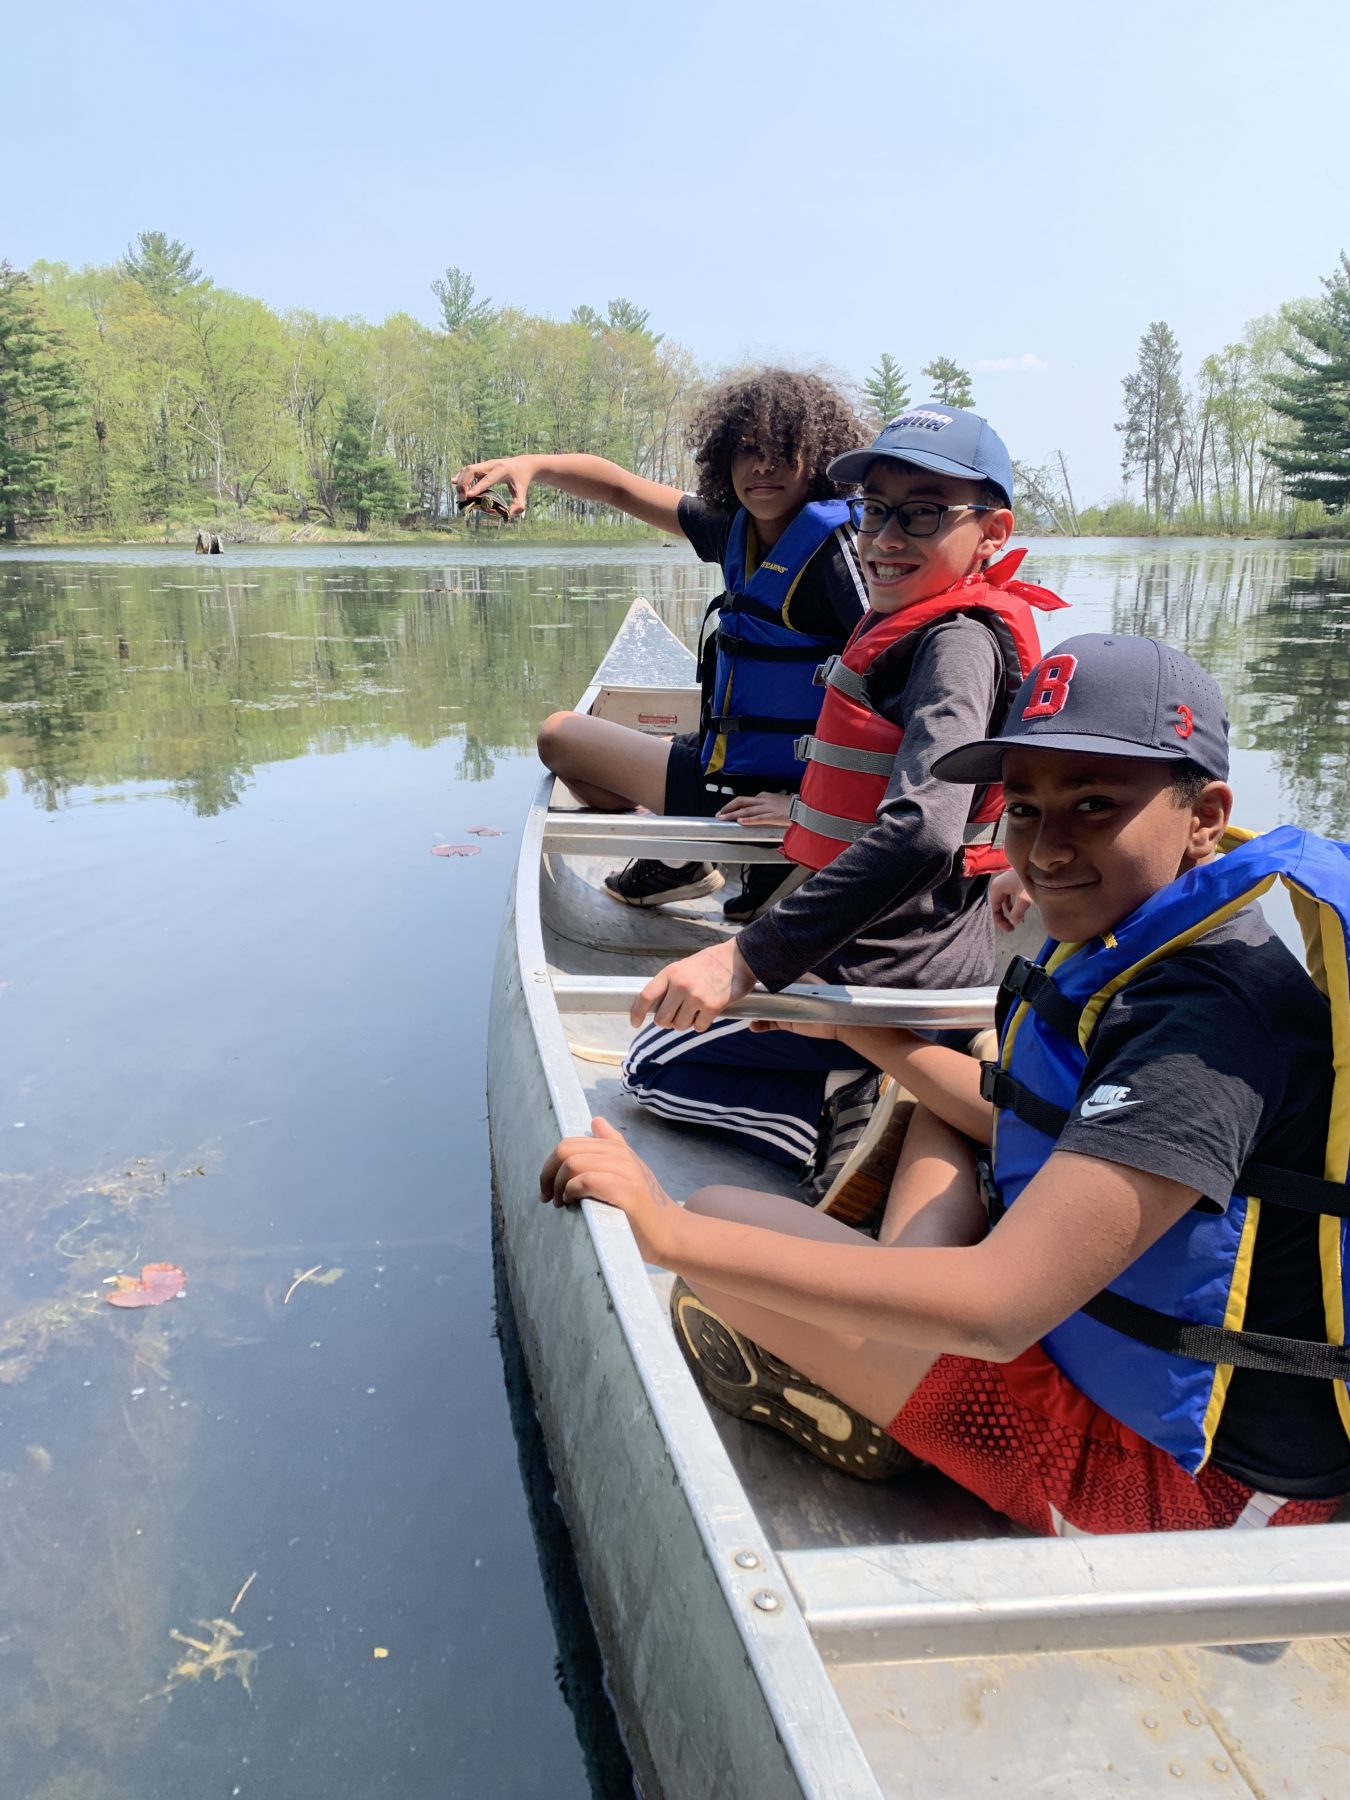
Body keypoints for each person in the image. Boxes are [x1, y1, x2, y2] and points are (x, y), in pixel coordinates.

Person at [541, 634, 1350, 1535]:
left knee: (719, 1239)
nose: (1047, 850)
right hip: (1089, 1361)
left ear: (1205, 815)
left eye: (1094, 805)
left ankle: (898, 1397)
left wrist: (664, 1228)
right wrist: (858, 1028)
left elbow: (1001, 1311)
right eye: (1029, 810)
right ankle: (890, 1335)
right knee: (890, 1133)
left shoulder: (1208, 1027)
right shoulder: (1151, 941)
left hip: (1185, 1495)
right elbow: (1017, 1119)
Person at [620, 404, 1065, 1189]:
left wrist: (747, 958)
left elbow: (925, 832)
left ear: (992, 532)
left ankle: (836, 1108)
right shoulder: (950, 627)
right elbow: (1003, 787)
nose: (887, 540)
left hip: (890, 975)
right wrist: (1015, 863)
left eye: (924, 514)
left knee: (650, 1061)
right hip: (923, 953)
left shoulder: (953, 643)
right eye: (876, 512)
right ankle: (886, 1085)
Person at [454, 368, 868, 922]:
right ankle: (685, 857)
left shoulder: (841, 553)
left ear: (817, 460)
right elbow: (617, 486)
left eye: (781, 451)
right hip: (725, 775)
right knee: (560, 738)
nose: (761, 466)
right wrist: (531, 466)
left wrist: (809, 808)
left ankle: (750, 856)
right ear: (723, 459)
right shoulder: (730, 528)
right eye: (745, 450)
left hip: (794, 795)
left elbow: (894, 698)